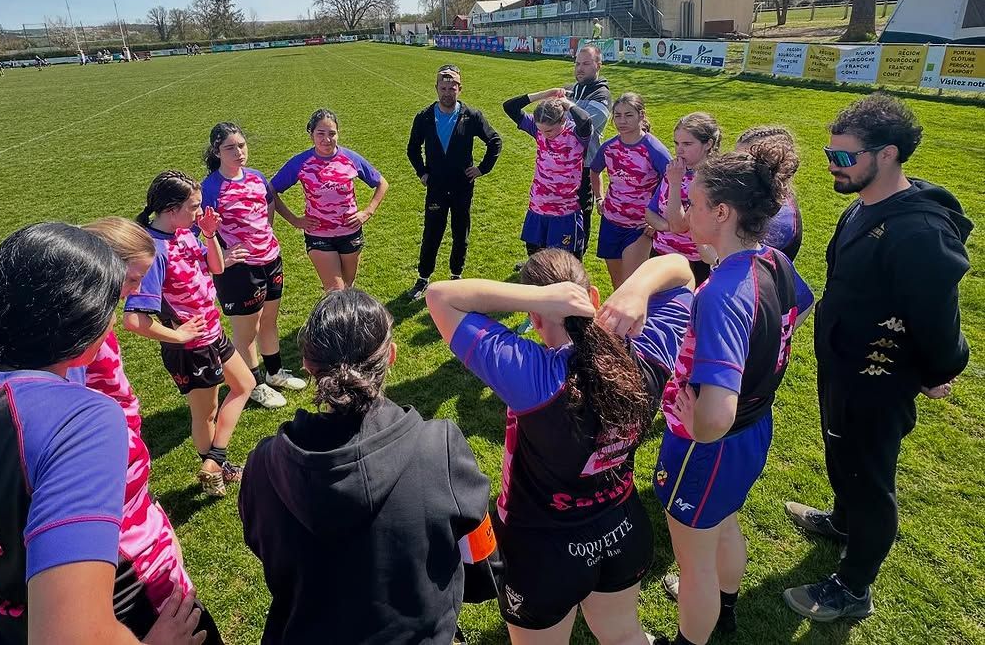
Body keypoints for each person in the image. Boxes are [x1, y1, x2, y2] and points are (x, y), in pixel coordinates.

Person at [0, 223, 204, 645]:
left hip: (12, 622)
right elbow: (70, 634)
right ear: (84, 325)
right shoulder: (83, 421)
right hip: (135, 604)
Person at [426, 252, 695, 645]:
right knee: (624, 636)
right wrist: (638, 287)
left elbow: (440, 296)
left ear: (536, 318)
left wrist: (535, 298)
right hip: (622, 530)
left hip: (543, 552)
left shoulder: (532, 375)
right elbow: (681, 272)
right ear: (596, 296)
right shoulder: (646, 350)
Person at [783, 94, 972, 622]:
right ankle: (843, 520)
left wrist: (939, 371)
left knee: (870, 477)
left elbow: (939, 318)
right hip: (844, 367)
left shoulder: (919, 233)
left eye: (843, 156)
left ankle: (853, 585)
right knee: (842, 453)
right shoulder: (862, 205)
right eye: (829, 153)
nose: (831, 164)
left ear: (886, 155)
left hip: (878, 379)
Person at [239, 288, 490, 644]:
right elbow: (481, 560)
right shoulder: (441, 448)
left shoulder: (263, 465)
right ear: (391, 356)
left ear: (309, 366)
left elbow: (261, 544)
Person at [650, 143, 813, 645]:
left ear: (721, 212)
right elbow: (803, 305)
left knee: (692, 561)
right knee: (724, 522)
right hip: (754, 429)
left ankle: (691, 636)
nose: (686, 211)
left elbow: (715, 416)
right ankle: (724, 611)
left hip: (709, 445)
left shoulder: (722, 294)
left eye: (693, 203)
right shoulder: (774, 261)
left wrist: (696, 419)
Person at [81, 217, 223, 643]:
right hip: (125, 558)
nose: (133, 293)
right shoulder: (59, 358)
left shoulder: (93, 329)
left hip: (141, 527)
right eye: (130, 280)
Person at [124, 170, 258, 497]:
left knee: (245, 384)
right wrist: (180, 336)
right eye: (194, 207)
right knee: (206, 413)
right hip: (190, 349)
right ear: (171, 209)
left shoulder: (185, 232)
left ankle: (214, 461)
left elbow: (216, 267)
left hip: (212, 333)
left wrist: (209, 234)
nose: (200, 212)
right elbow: (134, 319)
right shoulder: (153, 252)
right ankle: (215, 472)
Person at [201, 122, 306, 410]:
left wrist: (267, 233)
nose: (239, 152)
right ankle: (255, 385)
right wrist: (224, 253)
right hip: (239, 271)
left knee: (269, 322)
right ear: (216, 151)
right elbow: (196, 229)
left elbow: (270, 202)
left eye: (242, 146)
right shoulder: (209, 188)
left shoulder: (257, 178)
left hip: (271, 260)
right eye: (230, 148)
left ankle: (274, 373)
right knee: (247, 333)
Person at [406, 64, 502, 300]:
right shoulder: (425, 117)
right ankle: (423, 278)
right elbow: (412, 149)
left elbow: (495, 141)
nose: (447, 92)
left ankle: (456, 275)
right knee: (432, 232)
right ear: (436, 88)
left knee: (461, 232)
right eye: (443, 87)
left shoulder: (471, 116)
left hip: (462, 186)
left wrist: (482, 168)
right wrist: (422, 172)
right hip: (436, 186)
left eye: (452, 88)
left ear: (460, 89)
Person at [272, 108, 389, 291]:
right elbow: (271, 190)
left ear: (338, 134)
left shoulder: (350, 158)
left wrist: (368, 211)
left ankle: (346, 320)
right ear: (311, 134)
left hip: (350, 233)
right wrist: (294, 220)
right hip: (319, 235)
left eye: (332, 133)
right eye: (320, 133)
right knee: (335, 290)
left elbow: (382, 183)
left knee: (348, 288)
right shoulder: (301, 162)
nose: (326, 139)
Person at [590, 92, 672, 290]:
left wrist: (657, 221)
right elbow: (594, 171)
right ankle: (620, 320)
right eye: (617, 115)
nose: (622, 121)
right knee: (617, 284)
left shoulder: (654, 149)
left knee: (632, 285)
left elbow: (672, 184)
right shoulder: (609, 147)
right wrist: (600, 198)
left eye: (628, 115)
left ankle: (638, 319)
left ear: (641, 116)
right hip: (610, 223)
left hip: (639, 227)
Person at [503, 94, 592, 259]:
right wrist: (547, 93)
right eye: (541, 130)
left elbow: (586, 120)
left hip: (565, 211)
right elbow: (509, 107)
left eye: (549, 130)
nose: (545, 135)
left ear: (562, 120)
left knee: (566, 264)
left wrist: (567, 104)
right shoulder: (538, 131)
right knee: (536, 261)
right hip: (538, 208)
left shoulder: (577, 135)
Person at [646, 112, 721, 285]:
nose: (679, 150)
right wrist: (668, 226)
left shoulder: (709, 181)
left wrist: (675, 184)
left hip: (693, 261)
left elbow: (680, 224)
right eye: (677, 143)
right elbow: (650, 213)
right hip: (660, 253)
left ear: (708, 144)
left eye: (687, 144)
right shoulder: (675, 170)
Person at [735, 126, 803, 261]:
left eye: (745, 160)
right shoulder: (762, 196)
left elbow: (743, 263)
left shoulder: (778, 218)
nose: (735, 166)